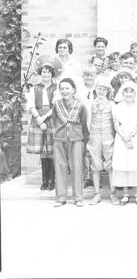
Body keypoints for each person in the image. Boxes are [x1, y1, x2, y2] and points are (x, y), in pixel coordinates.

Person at [51, 78, 89, 207]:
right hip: (59, 139)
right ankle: (61, 197)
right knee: (60, 167)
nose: (64, 91)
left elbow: (83, 124)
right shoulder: (56, 105)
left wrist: (84, 140)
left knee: (76, 167)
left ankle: (78, 197)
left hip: (76, 138)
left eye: (67, 88)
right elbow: (54, 122)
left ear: (73, 90)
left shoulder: (80, 105)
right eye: (62, 88)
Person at [26, 55, 62, 191]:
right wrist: (38, 118)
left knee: (52, 150)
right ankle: (44, 180)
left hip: (51, 117)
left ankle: (53, 180)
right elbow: (31, 105)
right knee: (43, 152)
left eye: (48, 72)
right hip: (38, 118)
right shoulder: (35, 88)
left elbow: (56, 105)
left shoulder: (57, 88)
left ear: (52, 74)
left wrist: (45, 117)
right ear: (40, 73)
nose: (46, 74)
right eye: (43, 72)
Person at [112, 81, 137, 206]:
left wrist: (130, 136)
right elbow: (116, 124)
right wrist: (125, 138)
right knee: (123, 165)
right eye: (126, 91)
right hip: (121, 138)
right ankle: (125, 194)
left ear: (135, 93)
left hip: (135, 137)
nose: (128, 94)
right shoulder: (118, 106)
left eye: (131, 91)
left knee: (134, 165)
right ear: (122, 93)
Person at [86, 78, 119, 205]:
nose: (101, 91)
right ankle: (96, 194)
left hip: (108, 135)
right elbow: (88, 121)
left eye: (104, 89)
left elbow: (115, 120)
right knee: (95, 165)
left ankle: (113, 193)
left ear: (108, 91)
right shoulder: (90, 103)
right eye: (99, 88)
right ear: (96, 89)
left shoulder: (112, 104)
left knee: (110, 164)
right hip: (94, 135)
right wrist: (91, 133)